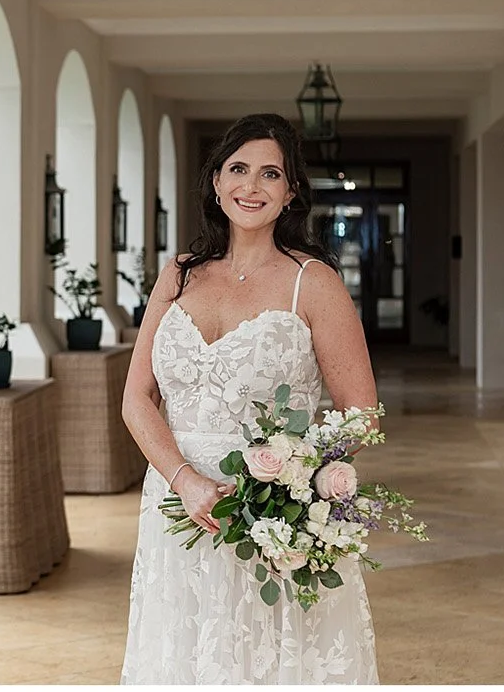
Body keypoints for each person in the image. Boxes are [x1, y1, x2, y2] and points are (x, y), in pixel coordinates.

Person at [120, 113, 381, 683]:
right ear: (216, 182)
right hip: (174, 507)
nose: (251, 186)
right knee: (186, 652)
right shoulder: (179, 276)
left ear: (290, 193)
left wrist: (290, 480)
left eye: (270, 174)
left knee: (268, 656)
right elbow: (137, 398)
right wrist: (183, 479)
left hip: (270, 517)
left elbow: (360, 414)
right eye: (238, 169)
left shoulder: (313, 283)